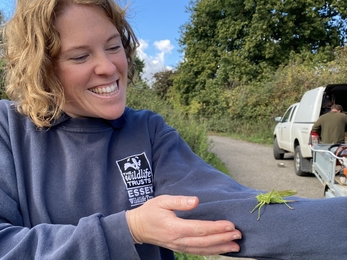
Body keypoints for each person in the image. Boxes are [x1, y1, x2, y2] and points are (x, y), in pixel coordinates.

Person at [0, 1, 346, 259]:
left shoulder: (147, 130)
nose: (108, 67)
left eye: (113, 46)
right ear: (41, 68)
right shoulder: (8, 129)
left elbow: (235, 208)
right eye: (79, 57)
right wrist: (128, 229)